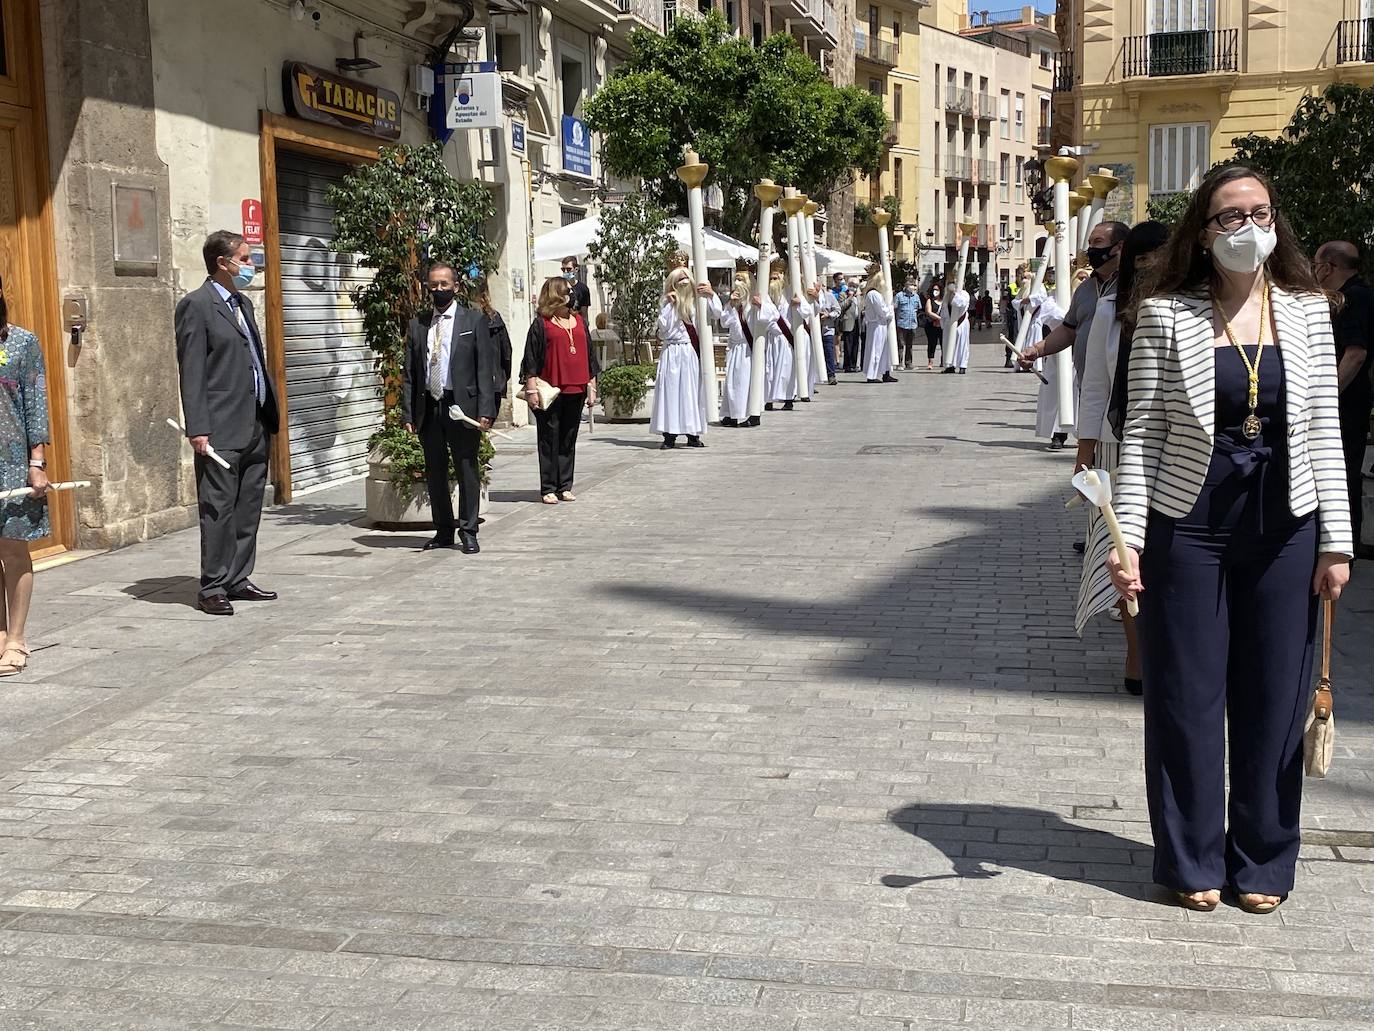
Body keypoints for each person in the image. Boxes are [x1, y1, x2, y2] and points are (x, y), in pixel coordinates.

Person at [1108, 165, 1352, 914]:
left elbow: (1323, 429)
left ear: (1276, 222)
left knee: (1275, 696)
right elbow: (1141, 434)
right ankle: (1190, 859)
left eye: (1259, 212)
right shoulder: (1164, 314)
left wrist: (1337, 541)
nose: (1247, 228)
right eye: (1229, 216)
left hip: (1286, 526)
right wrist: (1128, 542)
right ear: (1204, 232)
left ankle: (1264, 862)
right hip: (1190, 525)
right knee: (1184, 695)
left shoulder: (1309, 309)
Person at [1072, 220, 1170, 697]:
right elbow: (1095, 385)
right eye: (1142, 258)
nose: (1149, 267)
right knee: (1121, 552)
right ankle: (1136, 653)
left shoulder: (1192, 305)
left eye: (1160, 257)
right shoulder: (1111, 306)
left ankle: (1169, 647)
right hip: (1115, 444)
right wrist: (1084, 451)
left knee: (1166, 553)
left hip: (1177, 449)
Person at [175, 230, 281, 616]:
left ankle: (238, 577)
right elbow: (192, 372)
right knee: (218, 507)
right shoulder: (197, 306)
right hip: (219, 427)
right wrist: (198, 428)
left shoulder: (242, 304)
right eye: (246, 258)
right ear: (224, 262)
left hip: (254, 421)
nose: (250, 266)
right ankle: (213, 586)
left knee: (248, 505)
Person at [400, 262, 497, 553]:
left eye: (444, 284)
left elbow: (485, 368)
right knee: (435, 471)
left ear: (455, 286)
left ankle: (468, 530)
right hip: (430, 406)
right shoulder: (418, 324)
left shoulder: (473, 320)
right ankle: (443, 530)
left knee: (467, 467)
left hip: (462, 405)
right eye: (434, 285)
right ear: (427, 288)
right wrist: (408, 413)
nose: (439, 289)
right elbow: (410, 373)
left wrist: (486, 409)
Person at [0, 277, 49, 677]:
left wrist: (38, 462)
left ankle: (16, 637)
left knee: (13, 551)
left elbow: (35, 404)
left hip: (12, 461)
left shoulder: (21, 342)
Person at [1314, 240, 1373, 555]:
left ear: (1328, 267)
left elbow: (1355, 354)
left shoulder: (1350, 299)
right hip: (1356, 399)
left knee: (1342, 473)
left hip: (1345, 403)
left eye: (1316, 265)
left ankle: (1342, 545)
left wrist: (1326, 399)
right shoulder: (1363, 295)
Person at [520, 277, 598, 504]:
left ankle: (565, 485)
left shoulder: (579, 321)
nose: (572, 295)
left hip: (577, 387)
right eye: (568, 291)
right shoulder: (542, 324)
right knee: (548, 438)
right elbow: (531, 359)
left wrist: (592, 385)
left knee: (568, 438)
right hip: (550, 389)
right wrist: (531, 388)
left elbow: (589, 355)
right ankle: (548, 487)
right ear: (556, 295)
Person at [652, 264, 719, 448]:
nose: (683, 283)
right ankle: (669, 435)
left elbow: (718, 313)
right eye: (678, 280)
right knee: (671, 393)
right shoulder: (667, 304)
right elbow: (663, 327)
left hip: (689, 352)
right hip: (671, 352)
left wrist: (712, 294)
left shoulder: (698, 302)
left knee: (691, 392)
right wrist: (667, 303)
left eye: (685, 278)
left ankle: (692, 434)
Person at [763, 264, 797, 411]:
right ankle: (768, 399)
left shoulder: (789, 294)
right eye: (771, 278)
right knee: (768, 370)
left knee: (786, 369)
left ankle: (788, 399)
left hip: (784, 338)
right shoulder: (767, 295)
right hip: (770, 338)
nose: (773, 281)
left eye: (776, 278)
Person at [476, 278, 513, 402]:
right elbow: (507, 353)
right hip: (494, 383)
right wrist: (502, 376)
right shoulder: (494, 318)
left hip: (474, 386)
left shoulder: (466, 320)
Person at [861, 265, 896, 383]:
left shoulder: (876, 294)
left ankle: (886, 372)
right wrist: (891, 309)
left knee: (884, 350)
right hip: (876, 325)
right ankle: (871, 375)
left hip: (880, 325)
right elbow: (882, 311)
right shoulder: (873, 294)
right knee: (875, 350)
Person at [939, 272, 971, 374]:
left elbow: (961, 304)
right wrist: (942, 322)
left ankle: (962, 365)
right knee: (947, 344)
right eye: (951, 282)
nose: (952, 284)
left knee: (962, 344)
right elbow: (944, 310)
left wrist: (954, 294)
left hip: (960, 323)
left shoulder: (964, 294)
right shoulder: (946, 296)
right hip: (949, 324)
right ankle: (949, 365)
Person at [817, 273, 841, 386]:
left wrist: (828, 315)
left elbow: (837, 310)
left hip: (827, 329)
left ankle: (831, 375)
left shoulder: (829, 296)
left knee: (829, 352)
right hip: (813, 330)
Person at [893, 277, 921, 372]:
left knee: (910, 345)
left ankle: (909, 363)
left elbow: (918, 308)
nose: (913, 287)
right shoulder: (899, 296)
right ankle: (899, 363)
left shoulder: (916, 297)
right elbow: (894, 308)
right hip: (901, 323)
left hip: (912, 324)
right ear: (906, 285)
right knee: (900, 344)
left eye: (914, 285)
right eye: (911, 285)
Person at [840, 277, 862, 373]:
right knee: (848, 345)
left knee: (856, 344)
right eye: (852, 285)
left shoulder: (859, 296)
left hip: (858, 321)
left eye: (855, 286)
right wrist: (850, 297)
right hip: (848, 321)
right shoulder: (843, 294)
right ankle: (847, 365)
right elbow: (841, 306)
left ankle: (854, 364)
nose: (853, 287)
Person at [560, 256, 592, 322]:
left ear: (576, 269)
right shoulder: (559, 286)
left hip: (576, 323)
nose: (565, 272)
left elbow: (584, 313)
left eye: (569, 269)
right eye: (563, 269)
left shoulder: (583, 289)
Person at [922, 282, 943, 370]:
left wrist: (942, 320)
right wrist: (939, 318)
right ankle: (930, 362)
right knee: (932, 343)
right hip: (931, 325)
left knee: (944, 343)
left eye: (937, 290)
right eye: (934, 289)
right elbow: (928, 312)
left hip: (942, 326)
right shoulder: (929, 300)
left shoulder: (944, 301)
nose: (935, 291)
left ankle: (944, 360)